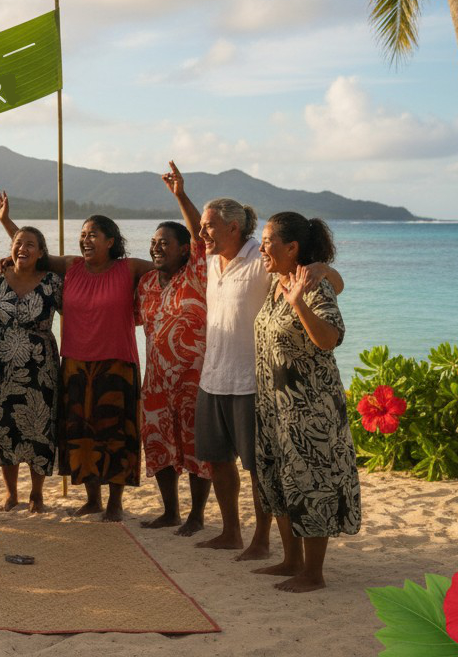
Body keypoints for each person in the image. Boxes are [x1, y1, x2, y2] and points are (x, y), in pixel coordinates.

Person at [193, 193, 343, 560]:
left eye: (209, 225)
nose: (201, 234)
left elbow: (332, 291)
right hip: (217, 376)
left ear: (233, 227)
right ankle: (236, 535)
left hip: (259, 386)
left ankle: (263, 542)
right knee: (225, 462)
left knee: (264, 471)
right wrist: (181, 195)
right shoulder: (217, 262)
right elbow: (196, 230)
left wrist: (321, 269)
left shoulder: (263, 262)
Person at [0, 192, 154, 522]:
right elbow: (29, 252)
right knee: (81, 435)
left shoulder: (129, 268)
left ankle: (115, 503)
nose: (85, 240)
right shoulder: (72, 267)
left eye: (93, 234)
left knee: (116, 434)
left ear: (111, 241)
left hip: (118, 362)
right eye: (82, 235)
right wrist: (5, 222)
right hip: (75, 363)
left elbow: (171, 268)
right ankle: (92, 499)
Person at [252, 212, 360, 592]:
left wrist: (300, 302)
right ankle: (290, 560)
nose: (262, 247)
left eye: (268, 241)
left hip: (309, 409)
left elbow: (329, 339)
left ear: (292, 247)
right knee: (280, 481)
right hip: (274, 406)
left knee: (312, 484)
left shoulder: (313, 286)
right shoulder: (276, 281)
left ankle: (313, 573)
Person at [137, 162, 211, 536]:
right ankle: (170, 511)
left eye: (165, 243)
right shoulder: (147, 283)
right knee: (159, 446)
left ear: (185, 250)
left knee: (196, 450)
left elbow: (201, 235)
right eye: (153, 243)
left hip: (194, 380)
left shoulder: (197, 273)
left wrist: (180, 195)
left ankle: (197, 516)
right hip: (156, 382)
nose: (156, 248)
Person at [0, 225, 62, 513]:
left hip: (40, 365)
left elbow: (79, 312)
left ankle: (37, 494)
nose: (22, 248)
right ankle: (11, 493)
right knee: (4, 428)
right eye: (18, 243)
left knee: (39, 428)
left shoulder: (52, 281)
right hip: (0, 365)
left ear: (41, 252)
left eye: (30, 245)